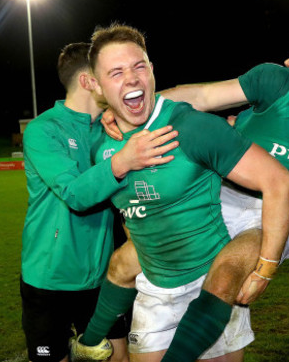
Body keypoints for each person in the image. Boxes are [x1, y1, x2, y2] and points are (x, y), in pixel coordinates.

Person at [73, 0, 289, 362]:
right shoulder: (277, 80)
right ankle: (89, 343)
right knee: (125, 262)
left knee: (225, 274)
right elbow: (201, 96)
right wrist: (143, 113)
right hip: (223, 193)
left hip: (282, 209)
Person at [81, 23, 289, 362]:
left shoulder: (192, 128)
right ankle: (90, 340)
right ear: (96, 85)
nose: (132, 79)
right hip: (155, 290)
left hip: (210, 288)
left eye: (139, 66)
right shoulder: (101, 143)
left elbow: (280, 183)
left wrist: (264, 270)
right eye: (116, 72)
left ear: (152, 70)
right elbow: (128, 210)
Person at [20, 42, 177, 362]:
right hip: (51, 279)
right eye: (110, 73)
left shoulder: (112, 128)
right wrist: (123, 161)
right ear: (90, 81)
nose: (120, 81)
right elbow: (76, 195)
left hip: (104, 275)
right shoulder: (43, 130)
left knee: (118, 357)